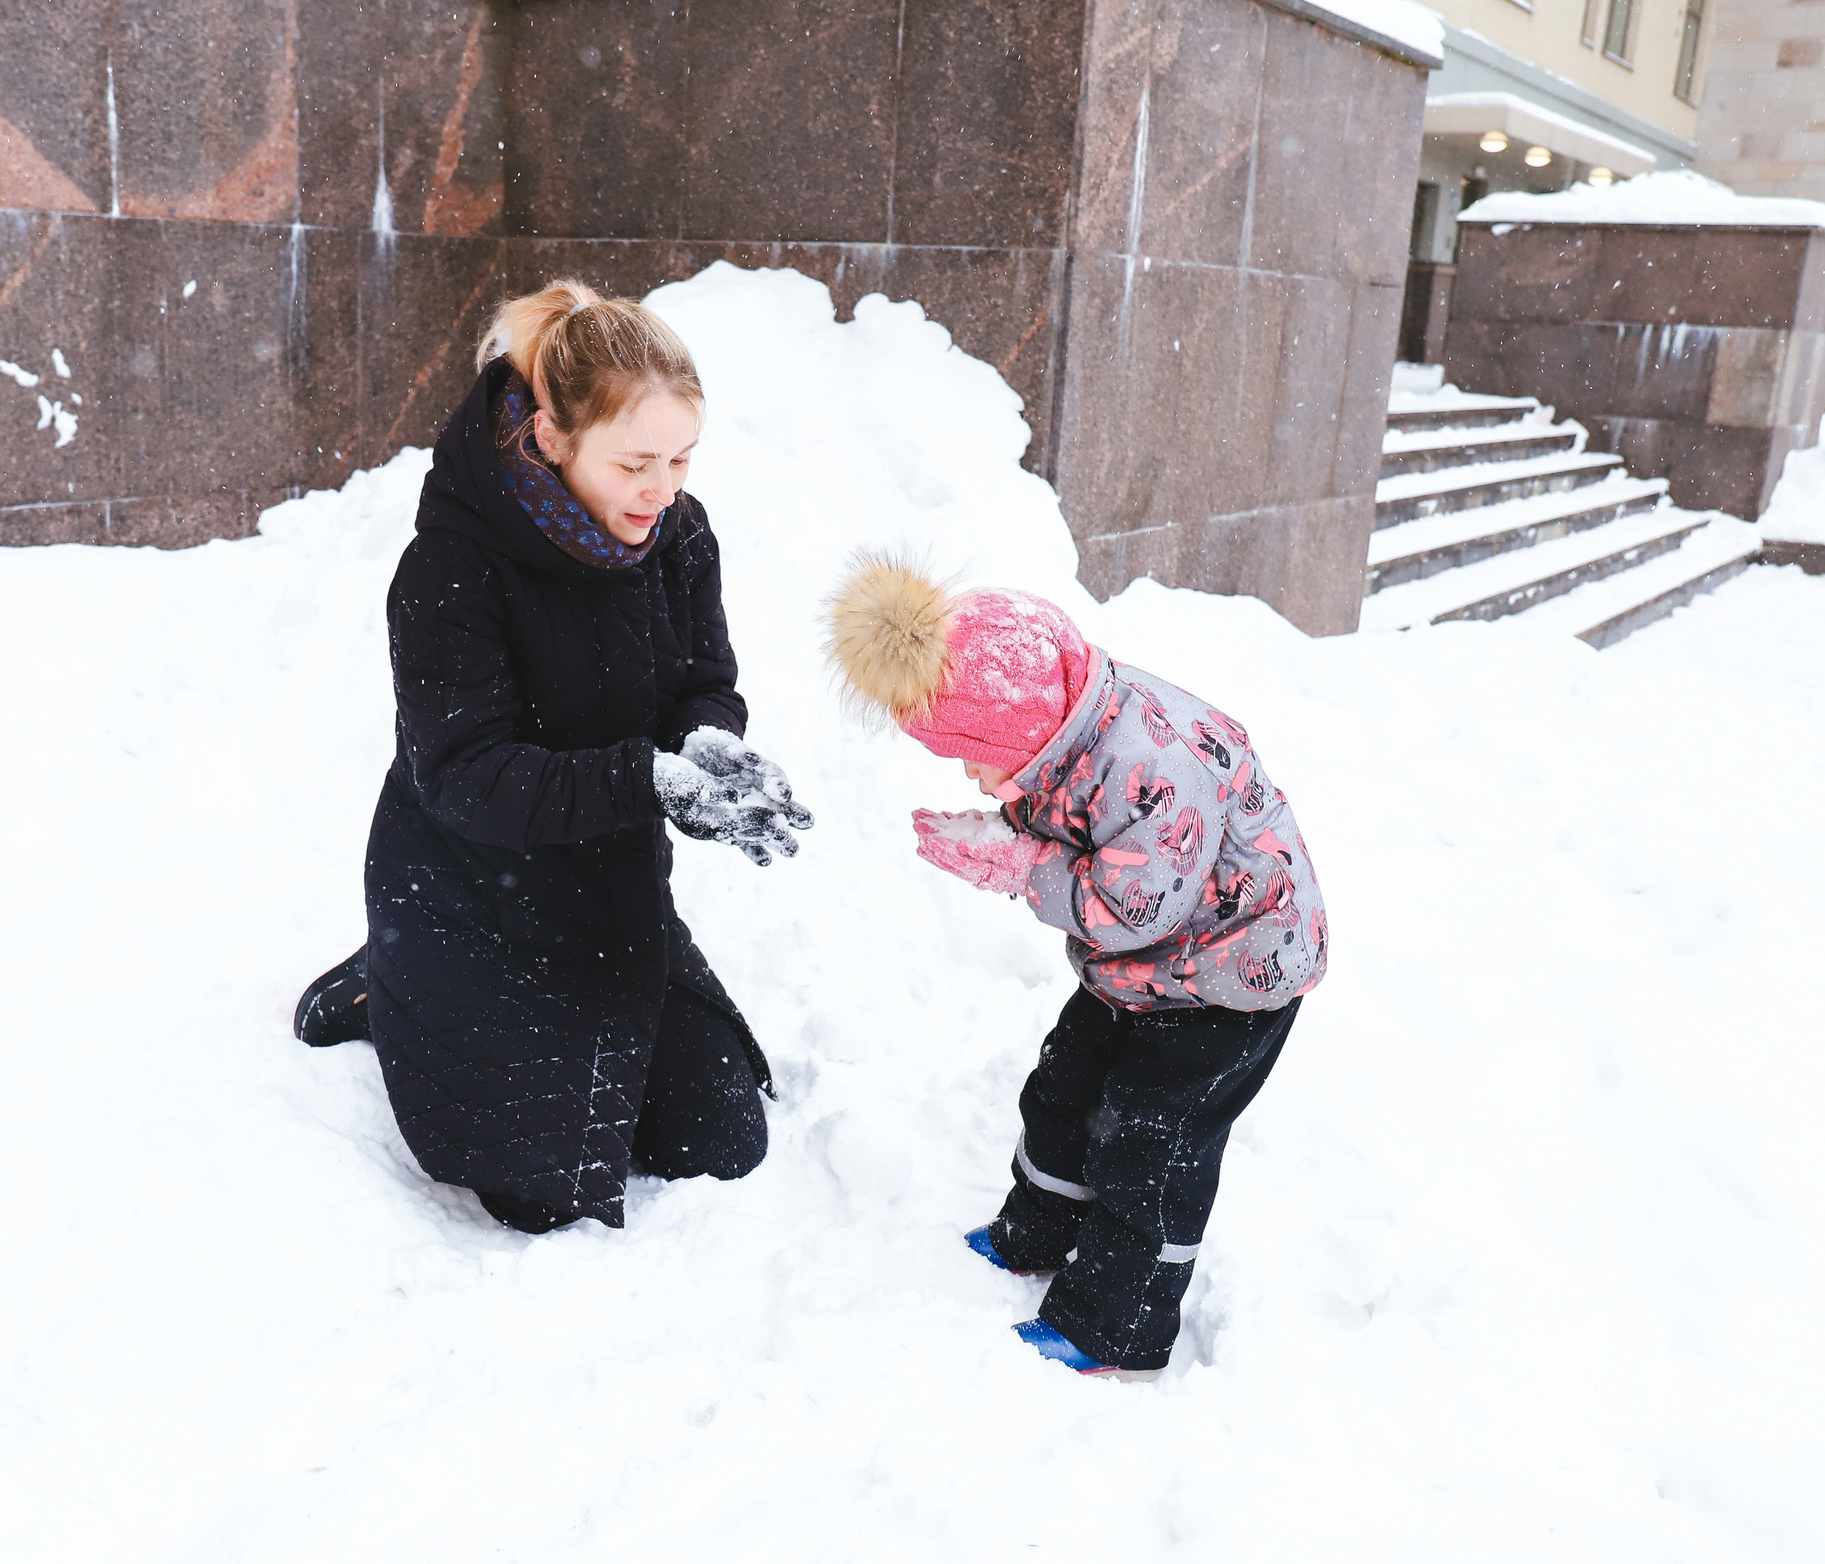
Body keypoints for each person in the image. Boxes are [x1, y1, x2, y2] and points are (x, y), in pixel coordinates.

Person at [294, 281, 813, 1236]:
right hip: (467, 890)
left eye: (683, 458)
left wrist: (707, 749)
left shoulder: (679, 534)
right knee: (539, 1193)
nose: (664, 489)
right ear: (551, 438)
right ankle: (389, 981)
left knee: (719, 1139)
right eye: (636, 462)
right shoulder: (451, 568)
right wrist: (647, 779)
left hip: (608, 885)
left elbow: (707, 676)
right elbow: (468, 778)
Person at [824, 554, 1326, 1378]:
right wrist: (1017, 844)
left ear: (1018, 735)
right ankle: (1040, 1230)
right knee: (1067, 1084)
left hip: (1237, 974)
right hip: (1148, 969)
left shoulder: (1146, 770)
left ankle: (1114, 1327)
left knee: (1150, 1142)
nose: (972, 778)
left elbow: (1136, 908)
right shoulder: (1061, 726)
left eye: (972, 757)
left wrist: (1022, 866)